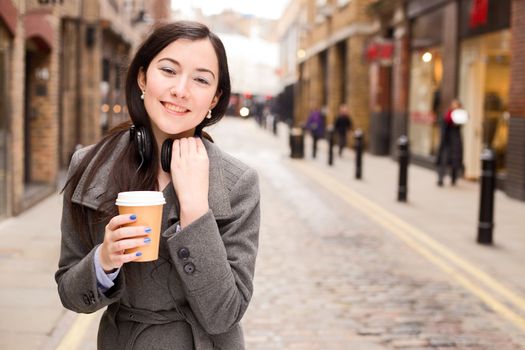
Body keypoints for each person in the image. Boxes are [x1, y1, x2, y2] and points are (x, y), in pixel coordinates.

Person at [55, 21, 260, 349]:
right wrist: (105, 259)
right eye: (168, 70)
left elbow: (225, 314)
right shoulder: (90, 166)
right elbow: (71, 295)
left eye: (201, 79)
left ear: (214, 98)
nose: (181, 89)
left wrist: (195, 209)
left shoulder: (237, 183)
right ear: (142, 77)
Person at [436, 98, 464, 186]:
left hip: (455, 141)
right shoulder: (447, 114)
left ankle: (454, 178)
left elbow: (462, 121)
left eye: (456, 105)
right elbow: (443, 123)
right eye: (453, 104)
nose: (454, 106)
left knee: (455, 159)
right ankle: (440, 178)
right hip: (446, 140)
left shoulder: (460, 114)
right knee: (443, 159)